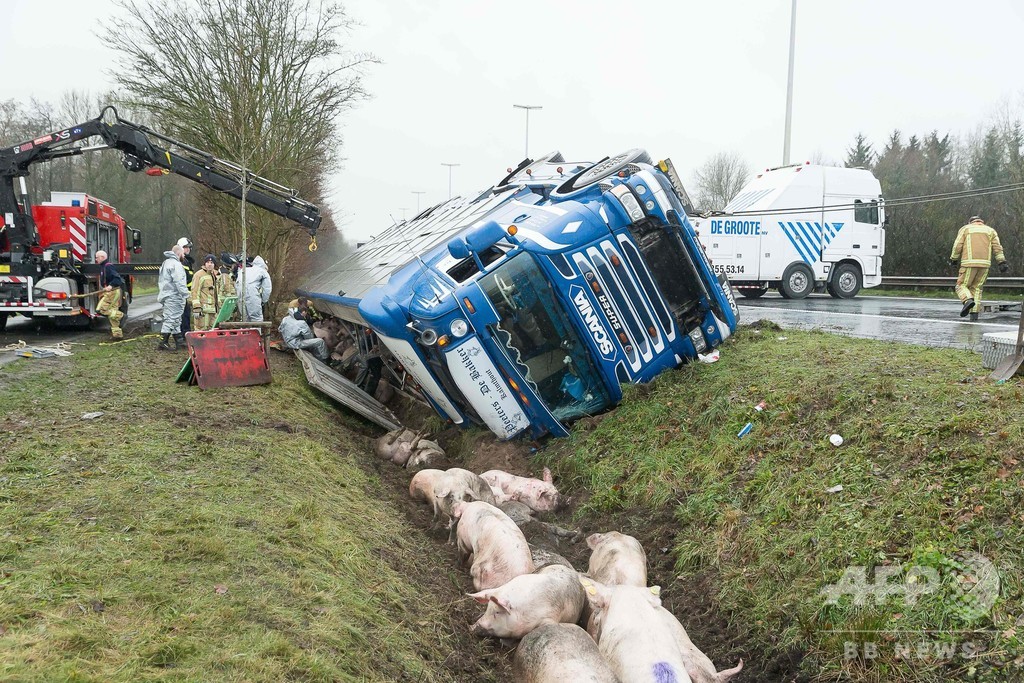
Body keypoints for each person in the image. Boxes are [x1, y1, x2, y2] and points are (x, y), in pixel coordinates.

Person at [949, 215, 1008, 320]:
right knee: (976, 288)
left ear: (970, 222)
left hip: (968, 263)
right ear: (981, 221)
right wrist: (1001, 262)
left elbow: (957, 245)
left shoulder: (966, 229)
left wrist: (954, 259)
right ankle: (974, 314)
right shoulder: (990, 231)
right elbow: (997, 247)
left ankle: (967, 301)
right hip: (984, 264)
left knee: (961, 285)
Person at [157, 244, 190, 350]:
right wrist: (186, 294)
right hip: (174, 295)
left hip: (166, 294)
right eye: (183, 254)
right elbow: (179, 281)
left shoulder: (166, 263)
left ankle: (179, 340)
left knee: (176, 318)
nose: (184, 256)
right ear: (179, 253)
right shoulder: (176, 265)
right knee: (171, 318)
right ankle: (163, 341)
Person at [94, 250, 125, 339]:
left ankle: (121, 316)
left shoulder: (108, 267)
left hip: (113, 292)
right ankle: (117, 335)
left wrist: (110, 286)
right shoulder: (103, 267)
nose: (96, 259)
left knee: (101, 310)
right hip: (111, 292)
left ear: (102, 257)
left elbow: (118, 279)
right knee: (112, 312)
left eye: (97, 257)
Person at [190, 254, 221, 331]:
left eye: (211, 262)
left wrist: (219, 307)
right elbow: (195, 291)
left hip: (213, 311)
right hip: (203, 311)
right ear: (204, 263)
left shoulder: (215, 275)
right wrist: (196, 307)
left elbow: (217, 293)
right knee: (200, 331)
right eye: (207, 262)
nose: (209, 264)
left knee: (212, 332)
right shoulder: (198, 275)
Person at [240, 255, 272, 322]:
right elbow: (267, 289)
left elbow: (237, 285)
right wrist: (263, 300)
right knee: (256, 319)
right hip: (253, 296)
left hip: (240, 296)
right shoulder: (263, 272)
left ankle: (244, 332)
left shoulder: (243, 270)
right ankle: (256, 332)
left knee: (244, 319)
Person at [177, 237, 195, 333]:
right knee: (184, 316)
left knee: (186, 315)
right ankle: (184, 335)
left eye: (188, 247)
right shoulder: (182, 261)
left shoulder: (187, 261)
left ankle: (185, 334)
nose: (187, 249)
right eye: (185, 247)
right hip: (182, 295)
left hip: (186, 294)